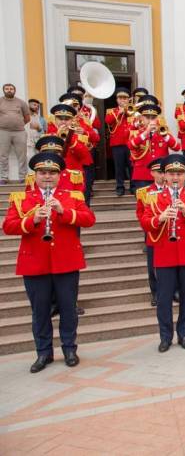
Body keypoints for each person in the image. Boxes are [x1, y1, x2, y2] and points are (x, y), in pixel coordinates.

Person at [2, 152, 96, 373]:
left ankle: (69, 349)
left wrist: (64, 211)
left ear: (59, 175)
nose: (47, 177)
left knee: (68, 309)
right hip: (35, 264)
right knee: (40, 311)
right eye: (42, 173)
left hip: (66, 262)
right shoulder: (22, 198)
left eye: (52, 173)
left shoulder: (72, 196)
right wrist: (33, 219)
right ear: (35, 176)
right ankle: (43, 353)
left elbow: (89, 219)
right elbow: (8, 226)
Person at [140, 154, 185, 353]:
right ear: (164, 176)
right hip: (164, 253)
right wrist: (160, 218)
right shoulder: (153, 196)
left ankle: (184, 333)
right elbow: (145, 222)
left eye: (179, 173)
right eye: (171, 173)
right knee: (164, 299)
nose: (175, 177)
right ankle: (165, 336)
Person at [136, 157, 171, 306]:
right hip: (153, 232)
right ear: (152, 173)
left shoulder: (173, 190)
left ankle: (172, 290)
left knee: (171, 263)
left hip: (170, 232)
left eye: (164, 172)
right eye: (159, 172)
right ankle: (156, 292)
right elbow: (140, 213)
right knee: (153, 265)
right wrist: (153, 222)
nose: (162, 175)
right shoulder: (144, 192)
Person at [128, 102, 180, 191]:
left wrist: (165, 136)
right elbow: (131, 145)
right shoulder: (136, 133)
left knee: (162, 203)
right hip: (142, 175)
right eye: (147, 117)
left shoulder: (163, 132)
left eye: (153, 118)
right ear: (142, 118)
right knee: (143, 202)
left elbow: (177, 147)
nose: (150, 120)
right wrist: (145, 133)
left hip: (161, 175)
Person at [1, 83, 31, 183]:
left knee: (22, 155)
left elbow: (27, 118)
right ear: (3, 90)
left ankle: (23, 177)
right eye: (7, 89)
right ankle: (3, 177)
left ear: (14, 90)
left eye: (11, 89)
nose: (9, 90)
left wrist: (18, 124)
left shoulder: (21, 102)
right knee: (2, 155)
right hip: (3, 131)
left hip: (19, 132)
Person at [105, 88, 133, 196]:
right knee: (119, 167)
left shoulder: (132, 110)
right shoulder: (111, 111)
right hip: (117, 143)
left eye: (125, 98)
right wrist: (119, 113)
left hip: (131, 143)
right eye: (120, 98)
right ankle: (120, 187)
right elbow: (108, 121)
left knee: (132, 166)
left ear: (128, 99)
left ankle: (133, 186)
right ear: (117, 100)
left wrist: (128, 111)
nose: (123, 100)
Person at [25, 99, 45, 168]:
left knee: (36, 162)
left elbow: (40, 129)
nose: (36, 107)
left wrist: (37, 127)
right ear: (28, 105)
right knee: (29, 161)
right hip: (27, 143)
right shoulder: (23, 115)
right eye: (34, 105)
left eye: (37, 106)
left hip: (36, 143)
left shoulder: (36, 116)